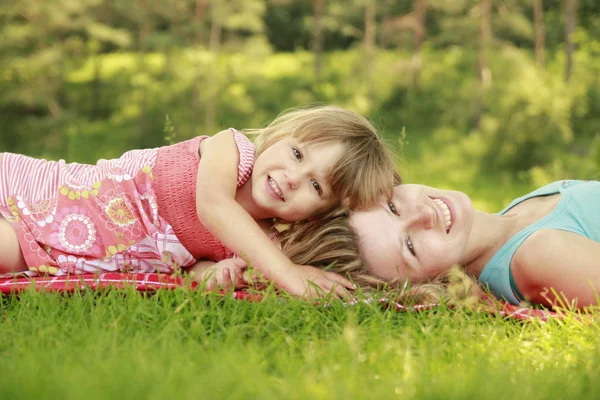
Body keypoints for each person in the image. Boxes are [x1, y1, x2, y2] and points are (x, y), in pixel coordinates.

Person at [0, 105, 398, 298]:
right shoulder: (232, 150)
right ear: (278, 137)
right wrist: (289, 273)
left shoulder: (255, 242)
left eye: (316, 186)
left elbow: (190, 268)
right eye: (297, 154)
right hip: (37, 201)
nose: (293, 178)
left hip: (52, 256)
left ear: (320, 213)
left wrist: (212, 274)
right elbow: (213, 207)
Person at [345, 180, 600, 308]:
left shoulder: (512, 218)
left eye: (392, 207)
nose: (423, 215)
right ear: (424, 283)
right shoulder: (539, 255)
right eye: (410, 246)